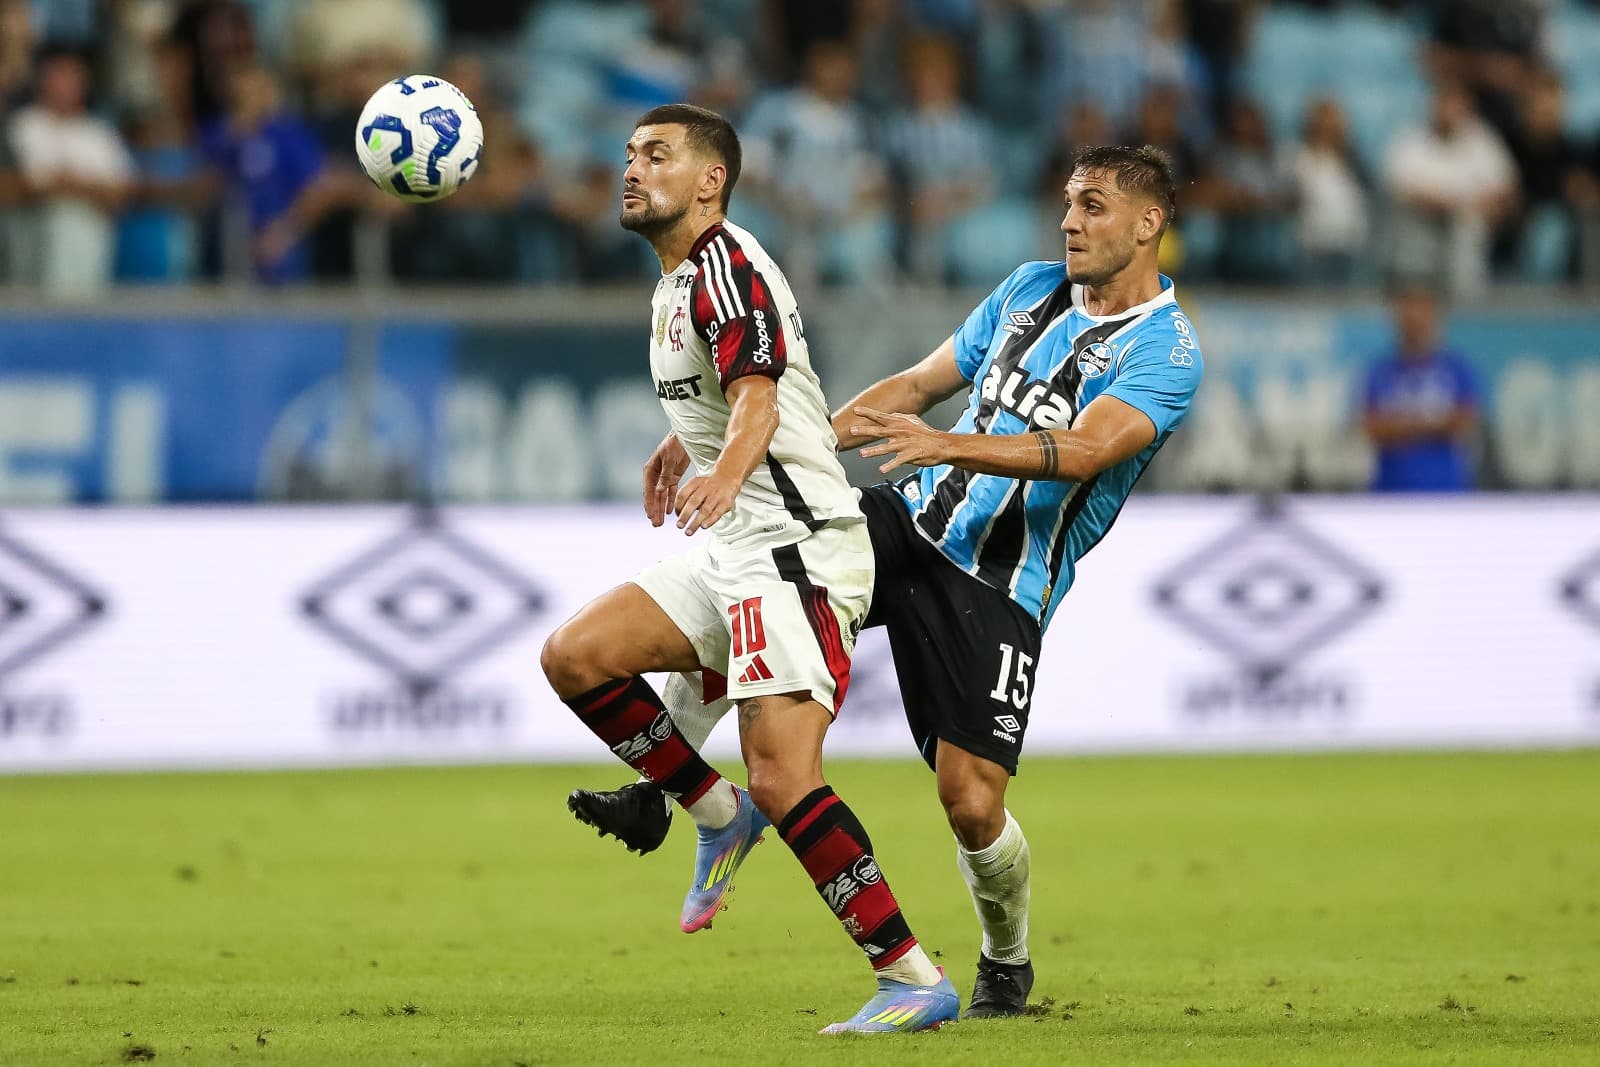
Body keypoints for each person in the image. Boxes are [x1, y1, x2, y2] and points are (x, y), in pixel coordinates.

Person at [570, 144, 1204, 1019]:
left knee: (971, 804)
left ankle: (1005, 961)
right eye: (1067, 202)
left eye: (1092, 206)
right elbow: (916, 384)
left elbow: (1089, 449)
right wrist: (759, 438)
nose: (1069, 221)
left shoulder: (1169, 350)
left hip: (997, 583)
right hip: (905, 522)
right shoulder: (1027, 288)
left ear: (1148, 223)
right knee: (766, 564)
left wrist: (947, 442)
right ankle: (669, 798)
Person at [539, 103, 960, 1034]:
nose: (632, 169)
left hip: (797, 547)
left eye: (657, 155)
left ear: (710, 181)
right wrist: (681, 443)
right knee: (576, 655)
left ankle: (911, 976)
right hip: (736, 543)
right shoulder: (680, 281)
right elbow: (747, 376)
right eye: (628, 154)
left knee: (785, 772)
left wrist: (725, 469)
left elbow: (761, 397)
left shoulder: (725, 265)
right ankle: (714, 809)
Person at [1361, 285, 1479, 493]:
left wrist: (1400, 424)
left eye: (1421, 320)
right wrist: (1433, 422)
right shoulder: (1379, 372)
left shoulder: (1455, 369)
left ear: (1433, 321)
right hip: (1391, 493)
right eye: (1408, 320)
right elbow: (1373, 429)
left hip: (1445, 491)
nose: (1415, 327)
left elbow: (1462, 423)